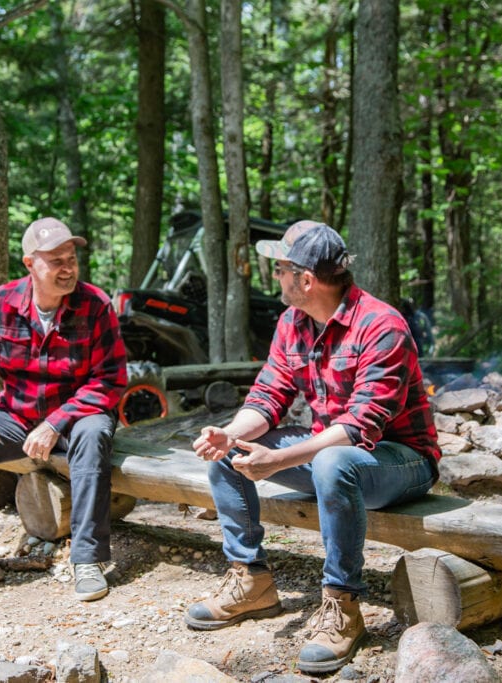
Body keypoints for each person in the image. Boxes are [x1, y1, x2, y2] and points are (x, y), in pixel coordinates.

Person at [186, 220, 441, 675]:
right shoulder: (293, 322)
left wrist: (278, 459)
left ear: (306, 279)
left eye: (281, 268)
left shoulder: (382, 326)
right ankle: (252, 582)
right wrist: (229, 432)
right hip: (332, 457)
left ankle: (343, 605)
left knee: (332, 461)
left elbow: (362, 426)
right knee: (233, 451)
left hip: (400, 461)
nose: (276, 277)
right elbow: (268, 396)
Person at [0, 217, 128, 613]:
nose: (68, 268)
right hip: (17, 415)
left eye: (72, 258)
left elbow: (111, 380)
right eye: (56, 261)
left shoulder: (95, 305)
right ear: (30, 263)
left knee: (93, 434)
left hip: (78, 415)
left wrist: (56, 422)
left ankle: (88, 559)